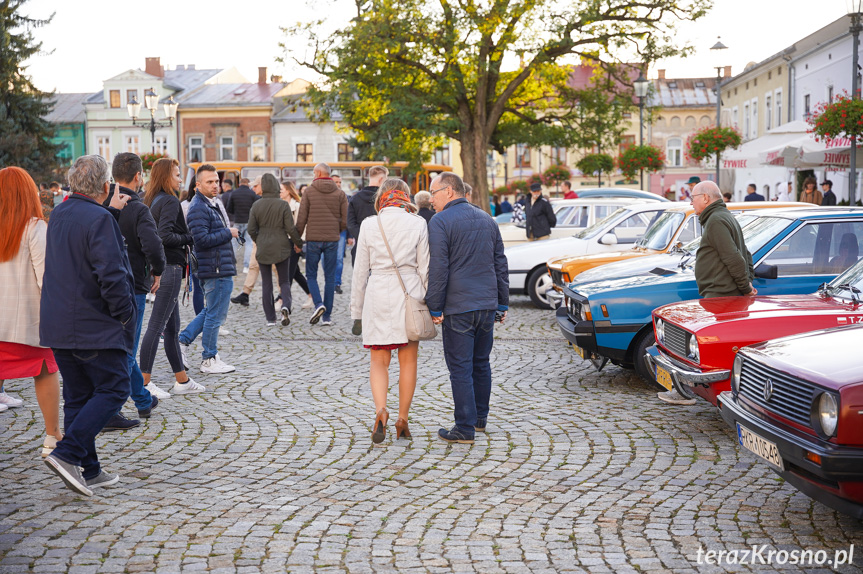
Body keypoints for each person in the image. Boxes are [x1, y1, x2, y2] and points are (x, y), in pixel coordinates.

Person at [40, 155, 135, 496]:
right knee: (114, 387)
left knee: (79, 396)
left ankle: (90, 469)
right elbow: (111, 274)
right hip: (91, 323)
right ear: (106, 187)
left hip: (59, 321)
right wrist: (125, 314)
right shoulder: (98, 218)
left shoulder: (61, 213)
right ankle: (67, 454)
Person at [426, 172, 508, 444]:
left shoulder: (440, 222)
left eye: (433, 193)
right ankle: (479, 419)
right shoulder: (487, 218)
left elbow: (439, 268)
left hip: (459, 306)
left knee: (460, 367)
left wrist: (435, 307)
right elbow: (500, 263)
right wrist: (502, 301)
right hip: (485, 304)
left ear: (449, 191)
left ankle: (464, 427)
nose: (431, 200)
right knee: (481, 363)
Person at [659, 181, 756, 406]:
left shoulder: (716, 220)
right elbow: (746, 253)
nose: (690, 201)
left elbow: (735, 257)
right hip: (723, 291)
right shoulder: (722, 216)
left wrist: (746, 287)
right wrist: (747, 283)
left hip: (720, 294)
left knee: (702, 348)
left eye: (693, 197)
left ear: (706, 198)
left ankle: (689, 392)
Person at [351, 178, 429, 443]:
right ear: (406, 196)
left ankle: (380, 410)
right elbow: (425, 268)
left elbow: (360, 270)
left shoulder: (369, 224)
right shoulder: (418, 223)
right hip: (409, 292)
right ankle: (402, 418)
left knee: (378, 361)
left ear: (381, 197)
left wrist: (356, 311)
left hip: (378, 293)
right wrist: (430, 303)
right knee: (408, 361)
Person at [0, 167, 62, 457]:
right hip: (26, 323)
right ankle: (52, 436)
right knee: (45, 370)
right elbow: (47, 278)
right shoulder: (36, 228)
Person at [105, 153, 165, 422]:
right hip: (132, 282)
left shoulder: (100, 203)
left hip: (102, 283)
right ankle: (137, 400)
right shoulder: (138, 208)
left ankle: (140, 398)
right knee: (127, 347)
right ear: (139, 176)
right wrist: (158, 270)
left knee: (112, 345)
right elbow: (153, 245)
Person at [139, 158, 201, 396]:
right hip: (171, 267)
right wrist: (188, 238)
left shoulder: (153, 200)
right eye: (176, 175)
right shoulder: (170, 201)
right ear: (166, 177)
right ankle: (144, 383)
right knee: (156, 326)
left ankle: (182, 380)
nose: (180, 179)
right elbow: (163, 235)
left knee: (172, 328)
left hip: (164, 267)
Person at [179, 164, 239, 374]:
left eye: (216, 181)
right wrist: (228, 232)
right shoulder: (198, 207)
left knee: (211, 311)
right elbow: (201, 240)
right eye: (210, 182)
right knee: (215, 315)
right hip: (214, 268)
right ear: (197, 185)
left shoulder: (208, 204)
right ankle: (209, 358)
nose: (215, 185)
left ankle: (183, 341)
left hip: (218, 266)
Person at [295, 163, 348, 326]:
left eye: (313, 173)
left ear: (318, 173)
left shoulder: (309, 192)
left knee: (311, 274)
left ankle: (318, 304)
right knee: (330, 277)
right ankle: (327, 317)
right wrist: (335, 230)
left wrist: (297, 241)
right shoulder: (340, 193)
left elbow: (302, 219)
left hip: (313, 239)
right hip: (332, 239)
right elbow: (345, 221)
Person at [248, 174, 303, 326]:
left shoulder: (256, 205)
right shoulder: (283, 205)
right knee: (284, 280)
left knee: (266, 283)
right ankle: (285, 305)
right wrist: (298, 243)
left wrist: (259, 240)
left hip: (263, 247)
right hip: (282, 246)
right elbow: (290, 228)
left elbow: (251, 229)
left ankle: (270, 318)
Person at [280, 180, 313, 309]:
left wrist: (299, 242)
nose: (279, 192)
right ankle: (312, 295)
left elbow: (303, 226)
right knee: (295, 273)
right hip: (283, 242)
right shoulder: (281, 205)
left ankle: (281, 299)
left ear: (288, 191)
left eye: (281, 190)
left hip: (295, 242)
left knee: (288, 273)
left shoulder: (297, 206)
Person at [348, 166, 388, 264]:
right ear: (381, 179)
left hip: (361, 247)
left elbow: (350, 223)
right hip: (382, 247)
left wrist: (361, 237)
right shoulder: (386, 199)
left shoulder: (355, 198)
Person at [225, 176, 259, 272]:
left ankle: (232, 264)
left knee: (235, 243)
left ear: (239, 184)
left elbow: (229, 208)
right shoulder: (252, 194)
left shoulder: (234, 193)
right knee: (249, 243)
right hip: (249, 221)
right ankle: (246, 266)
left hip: (237, 221)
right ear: (248, 184)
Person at [331, 173, 352, 294]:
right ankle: (330, 281)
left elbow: (349, 218)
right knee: (326, 260)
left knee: (339, 258)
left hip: (342, 231)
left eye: (339, 182)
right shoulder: (326, 196)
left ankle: (336, 283)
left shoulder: (346, 197)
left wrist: (350, 236)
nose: (338, 184)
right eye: (336, 182)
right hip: (328, 230)